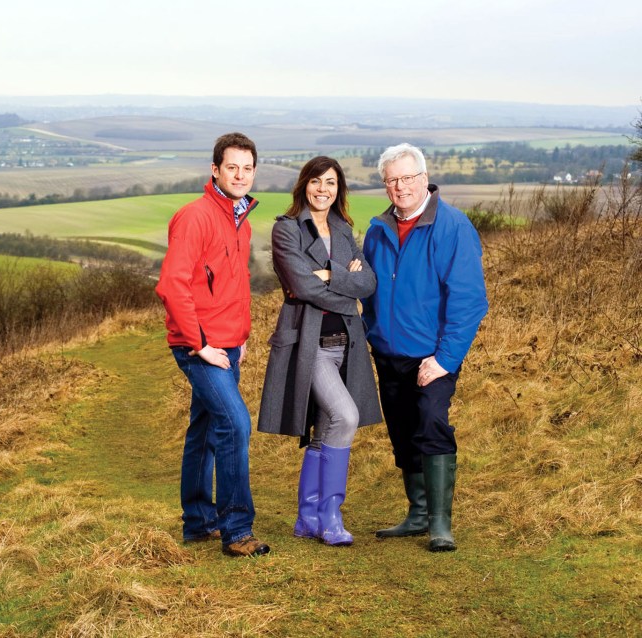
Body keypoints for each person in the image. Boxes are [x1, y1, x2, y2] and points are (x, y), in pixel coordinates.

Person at [362, 143, 488, 552]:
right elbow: (367, 291)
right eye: (392, 180)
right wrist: (368, 331)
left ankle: (439, 524)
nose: (401, 187)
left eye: (408, 178)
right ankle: (416, 514)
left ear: (424, 178)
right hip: (388, 353)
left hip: (433, 356)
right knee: (402, 431)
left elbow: (469, 301)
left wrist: (445, 359)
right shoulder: (377, 230)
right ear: (386, 185)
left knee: (432, 422)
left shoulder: (452, 226)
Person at [257, 156, 382, 546]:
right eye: (315, 181)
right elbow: (303, 287)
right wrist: (348, 284)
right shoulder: (287, 230)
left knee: (325, 428)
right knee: (345, 416)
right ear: (303, 185)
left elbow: (370, 283)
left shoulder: (344, 230)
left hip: (346, 344)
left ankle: (307, 516)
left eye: (330, 182)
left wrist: (331, 275)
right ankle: (331, 515)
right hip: (309, 347)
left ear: (338, 188)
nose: (322, 189)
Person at [155, 132, 269, 558]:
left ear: (254, 172)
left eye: (247, 168)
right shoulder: (196, 216)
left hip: (228, 343)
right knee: (235, 424)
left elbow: (233, 285)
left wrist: (241, 339)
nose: (240, 175)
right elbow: (173, 285)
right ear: (215, 170)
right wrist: (199, 343)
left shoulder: (241, 219)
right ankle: (237, 529)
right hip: (199, 346)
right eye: (232, 167)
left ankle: (198, 523)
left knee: (204, 431)